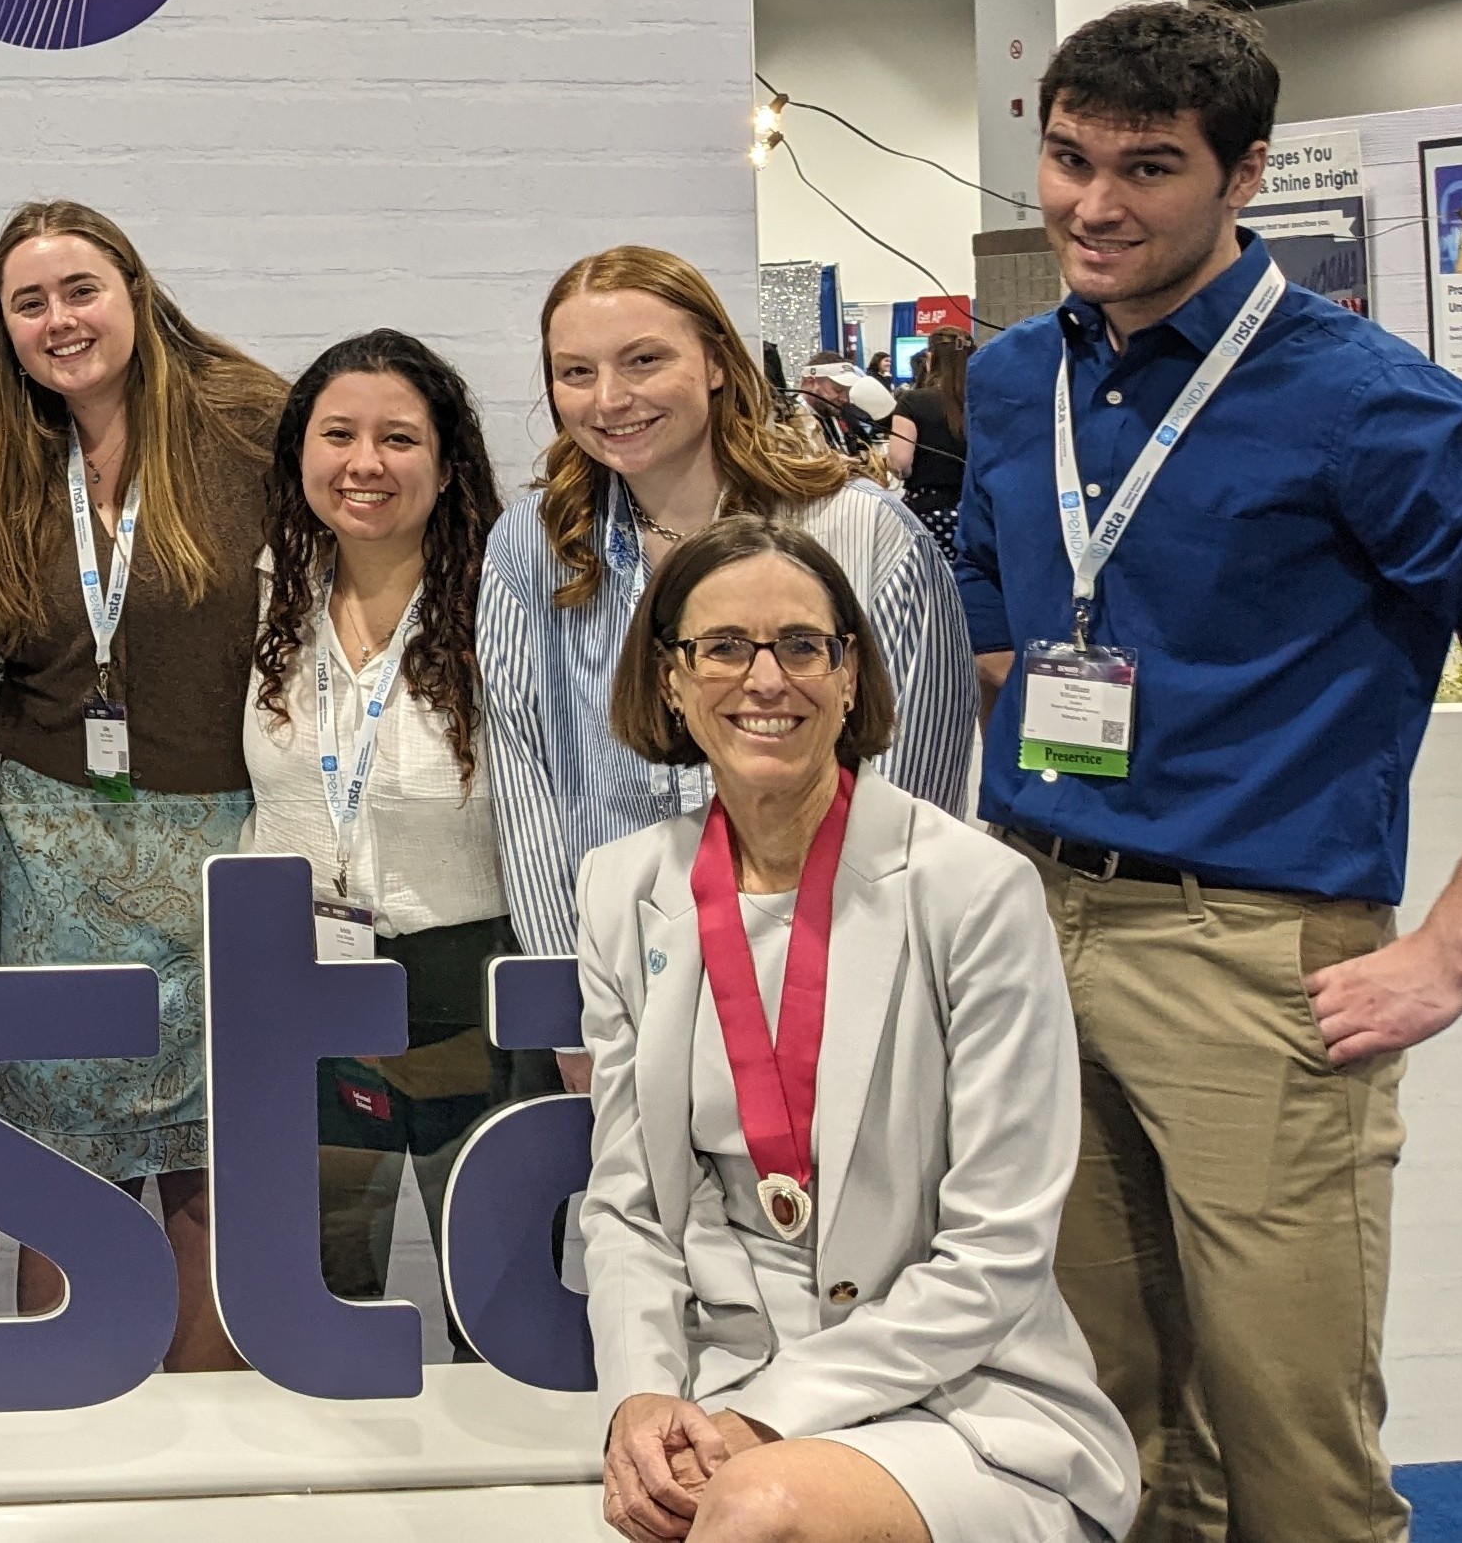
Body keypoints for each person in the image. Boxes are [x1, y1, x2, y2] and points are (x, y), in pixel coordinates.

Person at [954, 0, 1462, 1543]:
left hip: (1251, 953)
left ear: (1244, 176)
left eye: (1149, 168)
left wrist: (1446, 954)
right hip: (1037, 926)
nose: (1093, 206)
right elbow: (1000, 622)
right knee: (1102, 1420)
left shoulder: (1365, 401)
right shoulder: (1006, 381)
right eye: (1066, 159)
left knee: (1291, 1450)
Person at [581, 517, 1137, 1543]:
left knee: (762, 1512)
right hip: (722, 1388)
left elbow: (997, 1252)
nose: (765, 679)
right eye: (722, 648)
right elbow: (628, 1209)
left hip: (964, 1399)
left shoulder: (974, 890)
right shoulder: (625, 890)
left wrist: (765, 1419)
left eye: (802, 645)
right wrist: (643, 1397)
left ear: (848, 675)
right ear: (669, 680)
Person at [480, 246, 977, 1055]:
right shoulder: (533, 551)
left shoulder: (861, 535)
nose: (610, 399)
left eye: (645, 360)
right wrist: (571, 1015)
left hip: (825, 979)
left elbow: (912, 796)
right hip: (623, 987)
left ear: (715, 359)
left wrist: (857, 1001)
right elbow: (527, 789)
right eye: (575, 372)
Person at [0, 198, 280, 1366]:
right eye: (30, 302)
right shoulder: (2, 455)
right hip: (48, 854)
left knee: (211, 1166)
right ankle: (66, 1446)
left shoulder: (250, 425)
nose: (61, 321)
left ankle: (210, 1469)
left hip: (215, 842)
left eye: (81, 289)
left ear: (136, 293)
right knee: (58, 1166)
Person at [236, 330, 547, 1325]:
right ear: (300, 455)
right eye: (338, 434)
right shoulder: (272, 587)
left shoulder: (506, 607)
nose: (365, 463)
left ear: (447, 461)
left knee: (496, 1286)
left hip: (469, 990)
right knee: (326, 1293)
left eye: (398, 438)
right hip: (304, 994)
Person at [888, 332, 971, 559]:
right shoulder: (984, 399)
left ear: (930, 359)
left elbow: (899, 463)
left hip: (929, 513)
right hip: (976, 511)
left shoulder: (913, 401)